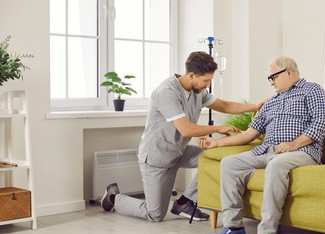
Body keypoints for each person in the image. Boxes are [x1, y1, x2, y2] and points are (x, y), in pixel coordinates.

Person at [101, 51, 265, 223]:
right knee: (155, 214)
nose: (207, 85)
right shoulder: (166, 91)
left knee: (217, 161)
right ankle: (113, 198)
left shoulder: (197, 91)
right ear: (192, 75)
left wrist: (254, 106)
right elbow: (185, 129)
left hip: (180, 151)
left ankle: (184, 202)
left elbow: (223, 105)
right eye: (206, 81)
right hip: (157, 157)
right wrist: (218, 128)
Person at [199, 56, 325, 234]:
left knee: (277, 165)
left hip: (302, 151)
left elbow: (321, 123)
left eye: (273, 77)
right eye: (269, 79)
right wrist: (217, 142)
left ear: (288, 72)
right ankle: (234, 228)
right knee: (229, 163)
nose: (271, 82)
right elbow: (249, 134)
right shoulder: (271, 102)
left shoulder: (312, 90)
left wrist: (293, 144)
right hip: (265, 151)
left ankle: (267, 233)